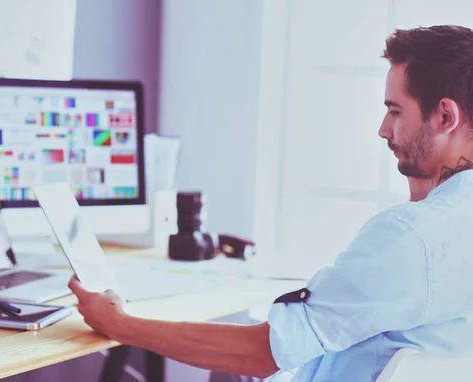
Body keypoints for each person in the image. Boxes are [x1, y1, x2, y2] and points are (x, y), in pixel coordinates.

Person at [69, 25, 473, 381]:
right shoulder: (447, 222)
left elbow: (262, 353)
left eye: (395, 110)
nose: (383, 129)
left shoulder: (412, 237)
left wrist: (117, 322)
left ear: (444, 116)